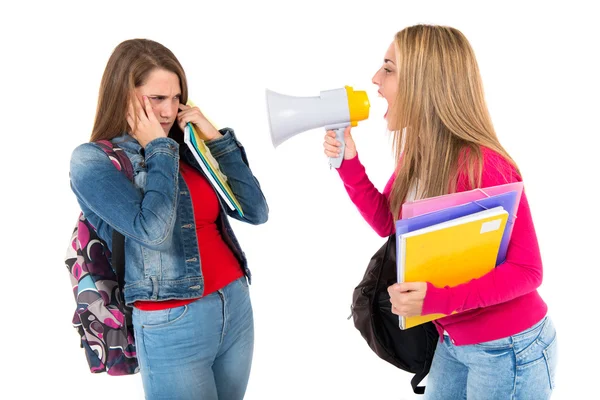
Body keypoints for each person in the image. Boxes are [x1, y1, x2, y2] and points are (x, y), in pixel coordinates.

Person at [323, 25, 557, 399]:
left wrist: (435, 301)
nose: (375, 79)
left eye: (389, 68)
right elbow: (389, 222)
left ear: (424, 82)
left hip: (508, 348)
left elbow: (528, 270)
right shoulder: (419, 154)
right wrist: (349, 162)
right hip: (453, 339)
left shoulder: (484, 165)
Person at [69, 38, 268, 400]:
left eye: (176, 98)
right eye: (157, 98)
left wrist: (215, 137)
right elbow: (154, 230)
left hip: (235, 304)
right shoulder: (92, 161)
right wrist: (157, 147)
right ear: (125, 94)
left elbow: (255, 210)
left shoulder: (185, 147)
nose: (169, 110)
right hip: (172, 322)